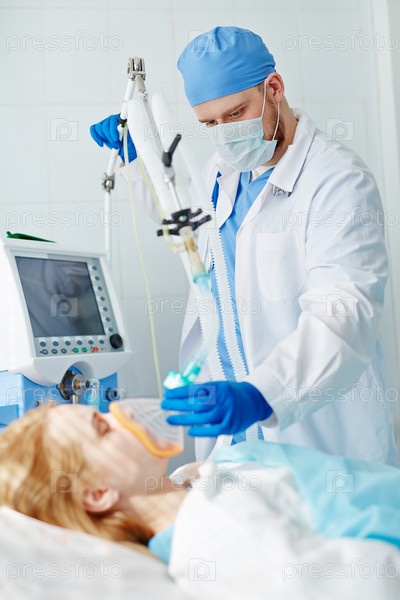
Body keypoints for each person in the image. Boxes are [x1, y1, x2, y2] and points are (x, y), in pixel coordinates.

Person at [90, 26, 399, 465]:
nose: (224, 134)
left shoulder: (337, 181)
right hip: (236, 438)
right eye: (210, 123)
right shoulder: (224, 172)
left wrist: (260, 394)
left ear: (273, 88)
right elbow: (191, 233)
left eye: (235, 114)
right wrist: (136, 162)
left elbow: (344, 314)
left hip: (316, 439)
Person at [0, 402, 400, 600]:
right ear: (98, 493)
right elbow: (363, 585)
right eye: (103, 427)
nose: (124, 416)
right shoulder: (209, 539)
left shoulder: (199, 484)